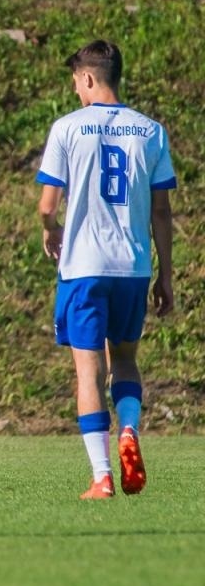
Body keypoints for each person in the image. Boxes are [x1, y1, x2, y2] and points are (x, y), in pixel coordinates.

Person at [36, 40, 174, 499]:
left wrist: (50, 228)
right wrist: (165, 275)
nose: (76, 89)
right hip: (133, 268)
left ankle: (101, 477)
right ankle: (130, 430)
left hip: (85, 268)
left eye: (76, 80)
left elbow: (46, 203)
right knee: (127, 360)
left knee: (88, 371)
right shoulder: (151, 131)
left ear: (89, 78)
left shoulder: (68, 129)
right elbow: (161, 212)